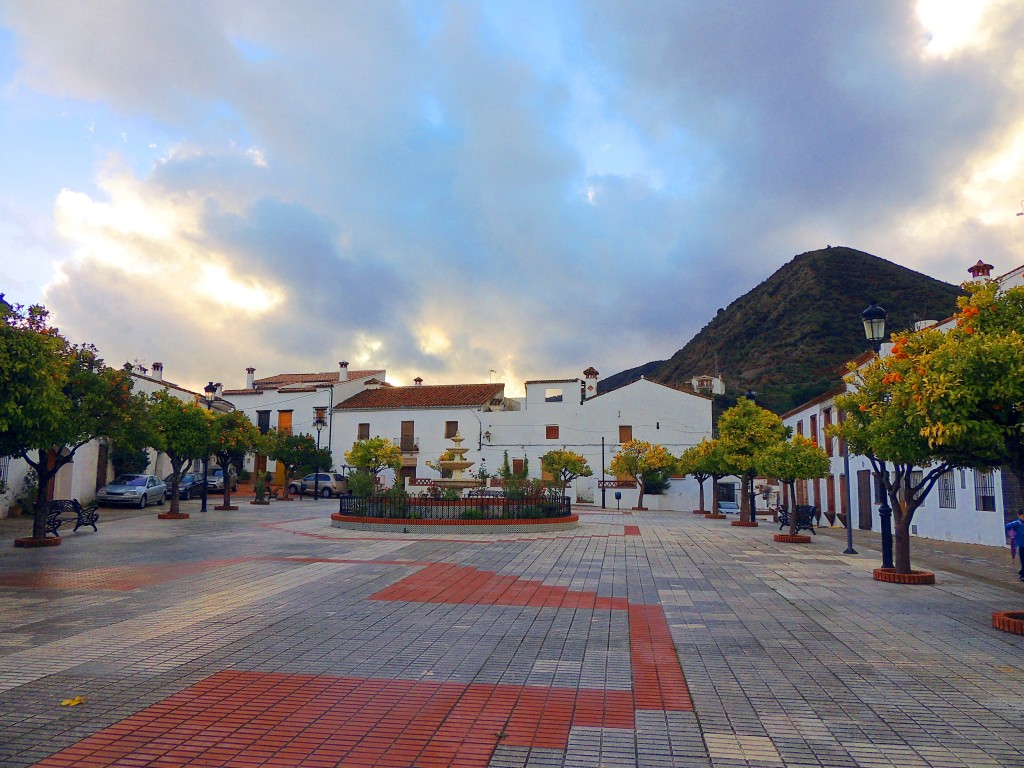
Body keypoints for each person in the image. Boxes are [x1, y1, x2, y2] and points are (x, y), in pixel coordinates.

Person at [1006, 510, 1024, 582]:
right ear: (1019, 515)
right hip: (1022, 545)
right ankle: (1023, 575)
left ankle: (1022, 571)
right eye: (1023, 516)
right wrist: (1012, 534)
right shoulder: (1017, 523)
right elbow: (1007, 526)